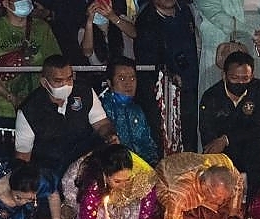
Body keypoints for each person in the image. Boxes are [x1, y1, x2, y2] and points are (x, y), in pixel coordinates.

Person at [196, 0, 260, 157]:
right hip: (224, 43)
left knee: (258, 103)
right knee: (221, 105)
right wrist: (256, 35)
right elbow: (214, 13)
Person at [0, 0, 61, 162]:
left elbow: (55, 63)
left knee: (38, 160)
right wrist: (10, 97)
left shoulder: (41, 28)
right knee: (6, 161)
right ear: (5, 3)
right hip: (4, 109)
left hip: (38, 107)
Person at [15, 54, 118, 178]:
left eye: (69, 79)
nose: (66, 85)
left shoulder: (85, 92)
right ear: (44, 82)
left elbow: (102, 124)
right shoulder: (29, 110)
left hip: (84, 169)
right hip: (49, 174)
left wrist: (109, 136)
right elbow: (23, 157)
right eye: (58, 81)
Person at [62, 144, 158, 219]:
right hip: (85, 191)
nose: (123, 185)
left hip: (119, 196)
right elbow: (89, 217)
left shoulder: (139, 168)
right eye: (118, 181)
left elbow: (149, 187)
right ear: (105, 175)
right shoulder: (93, 181)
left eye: (127, 180)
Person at [199, 51, 260, 200]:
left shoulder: (258, 89)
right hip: (223, 152)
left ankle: (254, 206)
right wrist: (221, 144)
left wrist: (226, 138)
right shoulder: (210, 96)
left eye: (245, 78)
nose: (240, 83)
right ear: (224, 76)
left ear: (252, 76)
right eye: (234, 78)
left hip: (249, 147)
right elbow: (208, 136)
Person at [134, 0, 199, 153]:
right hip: (164, 93)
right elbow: (147, 61)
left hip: (191, 84)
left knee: (190, 138)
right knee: (166, 140)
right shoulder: (146, 19)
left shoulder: (185, 11)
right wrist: (169, 74)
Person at [99, 56, 160, 166]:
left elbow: (148, 144)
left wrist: (153, 164)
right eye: (122, 79)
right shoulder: (102, 109)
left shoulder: (137, 110)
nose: (128, 83)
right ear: (109, 82)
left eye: (132, 78)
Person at [79, 0, 137, 66]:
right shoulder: (84, 28)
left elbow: (133, 33)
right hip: (100, 73)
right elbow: (87, 52)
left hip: (126, 69)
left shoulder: (121, 19)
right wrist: (89, 20)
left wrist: (113, 17)